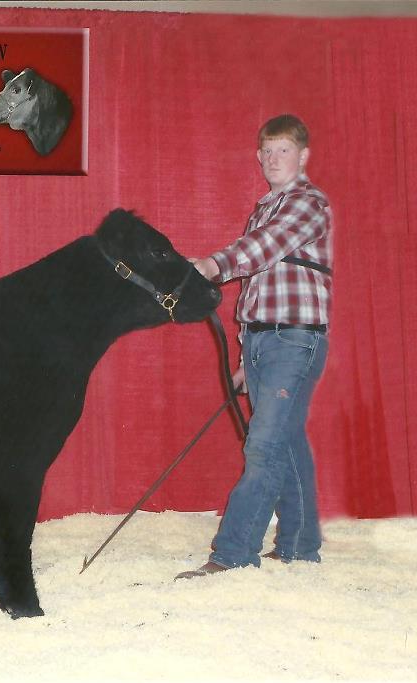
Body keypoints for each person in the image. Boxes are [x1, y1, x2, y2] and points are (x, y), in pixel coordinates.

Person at [177, 114, 333, 579]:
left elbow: (264, 249)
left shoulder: (308, 202)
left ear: (303, 156)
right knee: (284, 443)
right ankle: (300, 547)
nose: (272, 159)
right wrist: (246, 358)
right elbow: (257, 288)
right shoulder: (265, 207)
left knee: (263, 446)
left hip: (294, 338)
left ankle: (232, 555)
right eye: (266, 151)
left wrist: (211, 265)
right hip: (267, 341)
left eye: (283, 150)